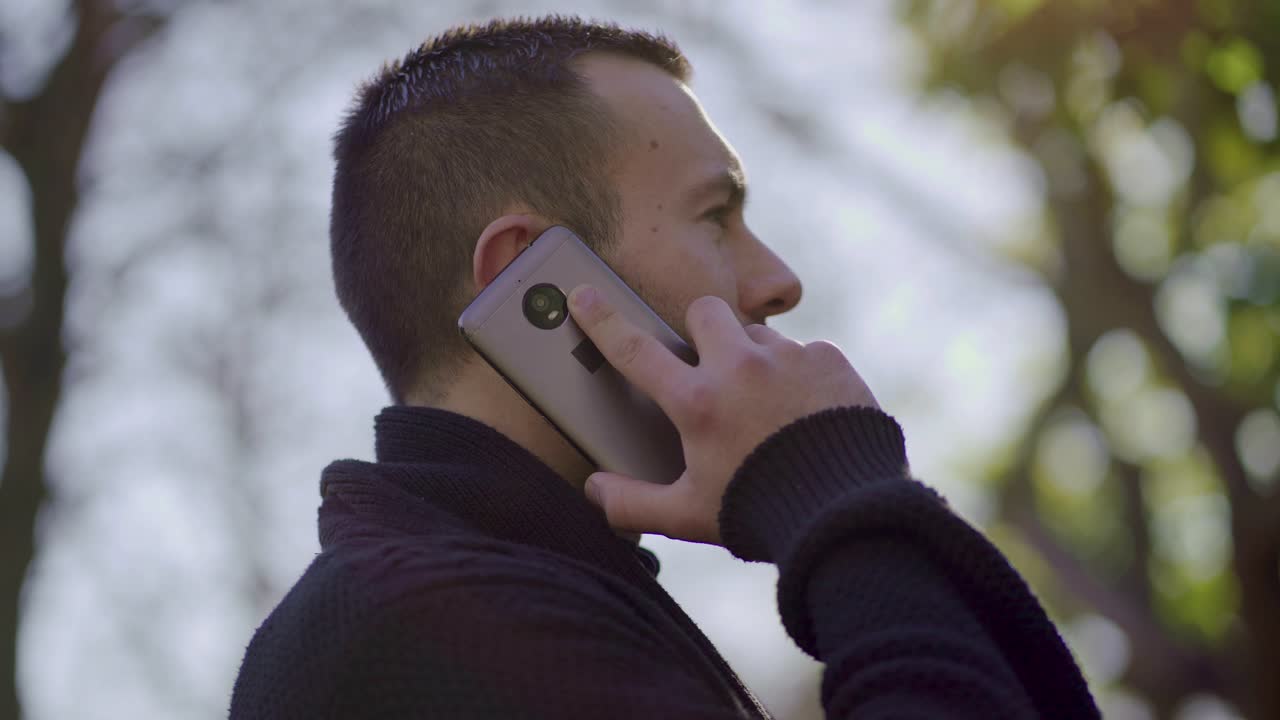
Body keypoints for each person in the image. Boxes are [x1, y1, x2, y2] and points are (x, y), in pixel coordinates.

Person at [229, 15, 1099, 719]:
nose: (778, 281)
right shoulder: (429, 621)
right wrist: (837, 501)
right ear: (542, 284)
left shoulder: (479, 591)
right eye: (715, 215)